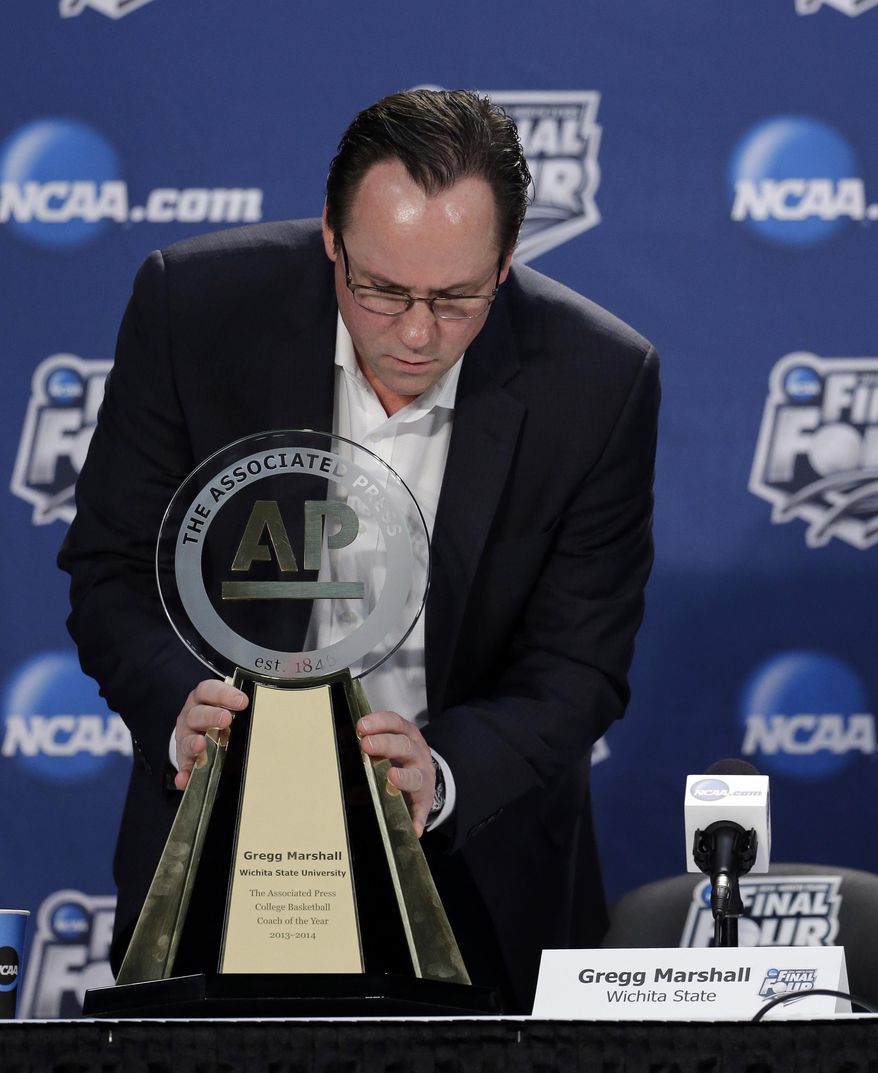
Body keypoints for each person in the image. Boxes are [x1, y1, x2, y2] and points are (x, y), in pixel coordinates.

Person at [58, 88, 659, 1012]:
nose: (418, 333)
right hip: (223, 869)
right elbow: (110, 568)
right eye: (381, 290)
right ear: (332, 242)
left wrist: (444, 771)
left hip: (476, 873)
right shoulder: (195, 309)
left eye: (458, 298)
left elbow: (579, 666)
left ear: (506, 264)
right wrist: (177, 703)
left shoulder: (599, 379)